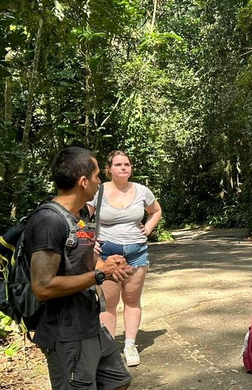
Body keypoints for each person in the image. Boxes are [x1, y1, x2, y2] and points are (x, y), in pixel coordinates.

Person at [26, 147, 135, 390]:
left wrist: (106, 264)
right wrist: (99, 275)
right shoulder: (49, 221)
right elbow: (43, 287)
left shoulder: (80, 214)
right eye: (97, 175)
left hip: (89, 323)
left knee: (119, 380)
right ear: (83, 181)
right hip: (65, 333)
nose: (100, 181)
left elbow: (79, 260)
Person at [87, 150, 162, 367]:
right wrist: (91, 239)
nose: (123, 168)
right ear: (108, 168)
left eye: (126, 164)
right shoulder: (98, 191)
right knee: (109, 304)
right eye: (118, 164)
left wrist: (147, 229)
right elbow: (83, 216)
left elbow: (156, 211)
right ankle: (109, 350)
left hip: (136, 253)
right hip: (108, 254)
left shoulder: (141, 191)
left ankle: (130, 345)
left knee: (131, 300)